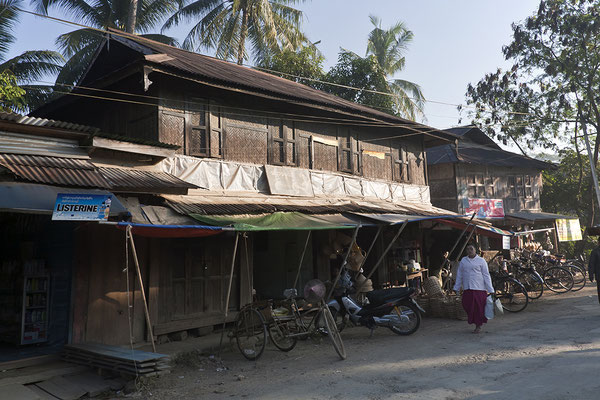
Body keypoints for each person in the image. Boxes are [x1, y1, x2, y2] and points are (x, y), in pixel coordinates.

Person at [453, 244, 495, 334]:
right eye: (468, 249)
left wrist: (490, 289)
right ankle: (474, 321)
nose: (469, 250)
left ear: (475, 250)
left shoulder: (481, 261)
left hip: (479, 288)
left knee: (478, 308)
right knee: (466, 304)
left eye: (471, 249)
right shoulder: (463, 261)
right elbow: (460, 274)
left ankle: (478, 325)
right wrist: (456, 287)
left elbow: (486, 275)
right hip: (467, 288)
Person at [588, 237, 600, 304]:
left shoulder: (595, 251)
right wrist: (591, 274)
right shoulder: (595, 252)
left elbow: (591, 264)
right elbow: (592, 264)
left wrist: (591, 274)